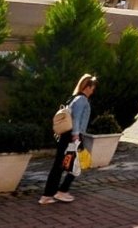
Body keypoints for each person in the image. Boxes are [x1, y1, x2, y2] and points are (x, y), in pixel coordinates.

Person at [40, 73, 96, 205]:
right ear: (87, 87)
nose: (93, 91)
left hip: (67, 135)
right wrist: (76, 137)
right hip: (73, 136)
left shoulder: (74, 98)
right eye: (93, 88)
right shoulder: (82, 100)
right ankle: (58, 192)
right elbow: (76, 119)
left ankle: (51, 194)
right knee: (75, 164)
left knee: (63, 165)